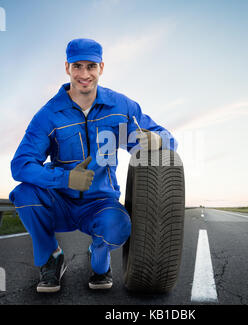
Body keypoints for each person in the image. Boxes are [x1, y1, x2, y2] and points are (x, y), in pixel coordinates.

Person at [9, 38, 177, 293]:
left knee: (118, 226)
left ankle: (99, 259)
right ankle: (52, 258)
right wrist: (64, 179)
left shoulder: (121, 107)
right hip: (61, 201)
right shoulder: (48, 114)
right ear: (67, 67)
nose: (84, 74)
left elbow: (168, 138)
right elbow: (20, 165)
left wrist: (156, 139)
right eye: (77, 66)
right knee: (23, 193)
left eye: (91, 66)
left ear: (101, 67)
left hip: (100, 203)